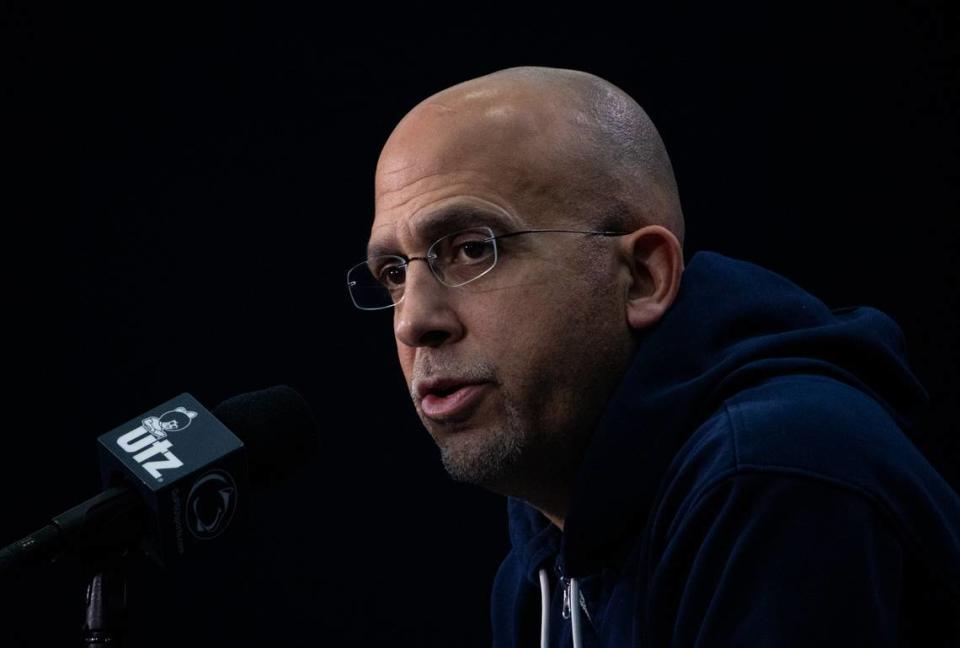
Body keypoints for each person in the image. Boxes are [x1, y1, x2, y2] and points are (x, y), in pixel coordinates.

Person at [347, 66, 960, 646]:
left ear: (643, 276)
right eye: (394, 274)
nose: (413, 320)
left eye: (472, 250)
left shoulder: (777, 473)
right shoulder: (534, 570)